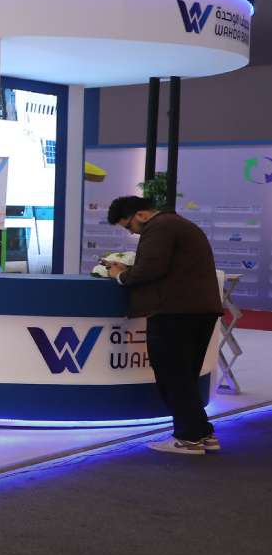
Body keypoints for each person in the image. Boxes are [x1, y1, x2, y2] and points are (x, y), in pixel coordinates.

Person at [104, 195, 222, 455]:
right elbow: (168, 265)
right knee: (185, 377)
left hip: (174, 311)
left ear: (141, 214)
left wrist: (120, 275)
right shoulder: (179, 224)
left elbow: (152, 268)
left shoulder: (160, 226)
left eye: (129, 226)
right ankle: (202, 433)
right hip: (196, 309)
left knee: (174, 377)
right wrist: (131, 268)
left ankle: (188, 439)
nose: (132, 232)